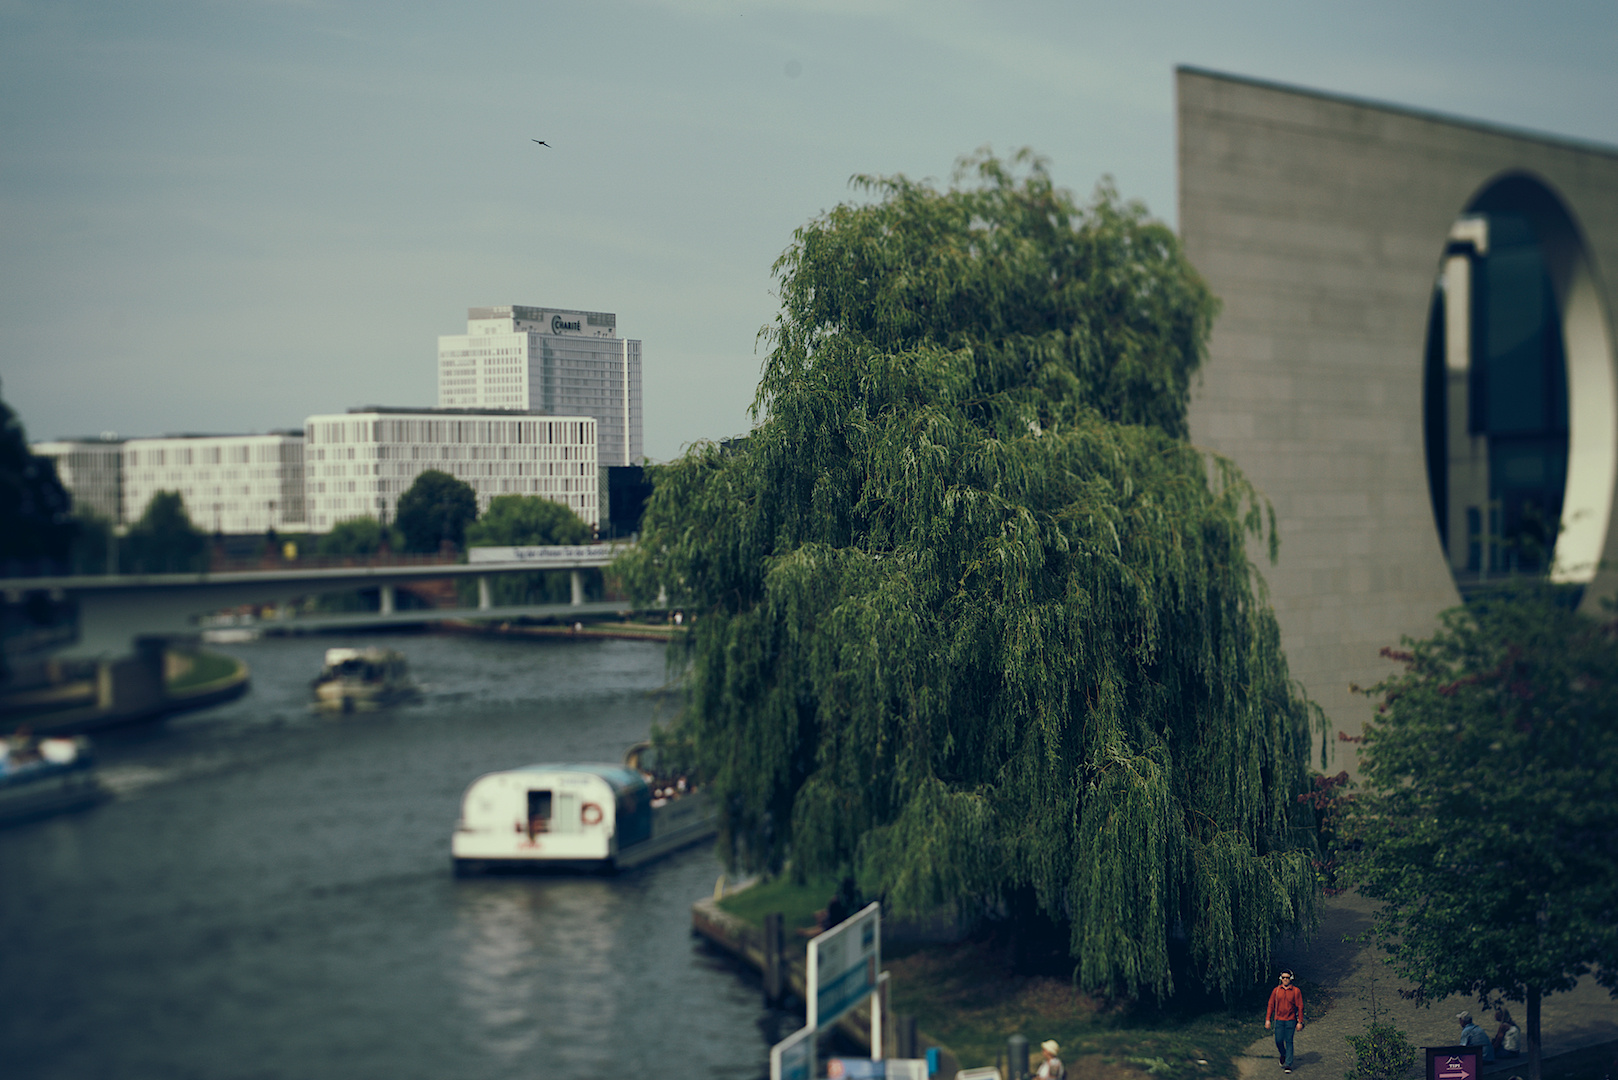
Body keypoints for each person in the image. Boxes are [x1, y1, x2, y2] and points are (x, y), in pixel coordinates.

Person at [1266, 969, 1305, 1073]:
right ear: (1280, 979)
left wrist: (1300, 1022)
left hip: (1290, 1020)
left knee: (1289, 1041)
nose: (1285, 979)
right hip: (1278, 1020)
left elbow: (1300, 1006)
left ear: (1291, 979)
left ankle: (1288, 1064)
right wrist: (1268, 1019)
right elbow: (1271, 1005)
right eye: (1283, 978)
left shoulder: (1296, 991)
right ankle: (1283, 1054)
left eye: (1287, 978)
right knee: (1278, 1041)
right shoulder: (1276, 990)